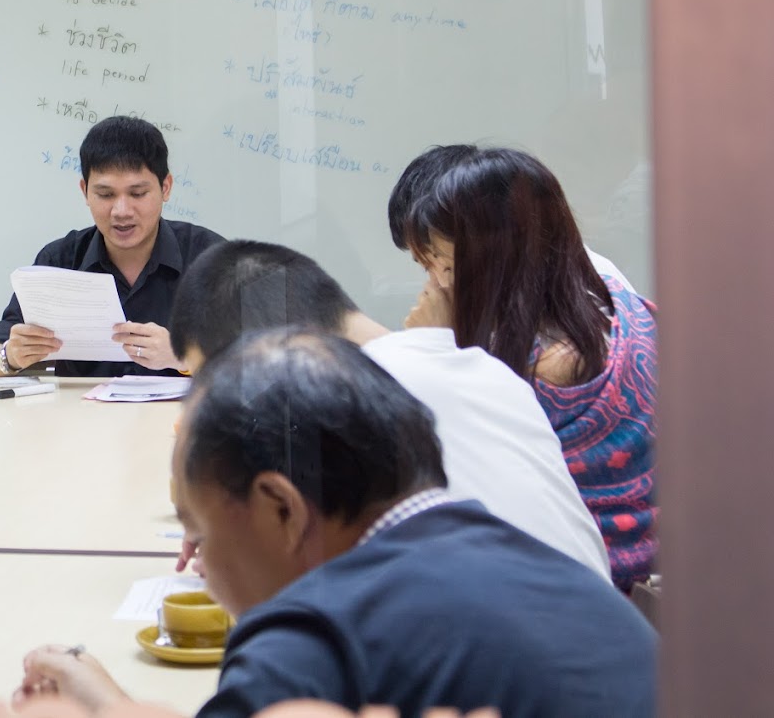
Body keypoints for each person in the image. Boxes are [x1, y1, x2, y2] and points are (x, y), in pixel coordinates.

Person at [14, 329, 657, 717]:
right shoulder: (527, 560)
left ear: (281, 508)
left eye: (201, 535)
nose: (201, 566)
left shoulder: (313, 641)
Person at [167, 240, 610, 580]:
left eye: (225, 386)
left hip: (506, 662)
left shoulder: (344, 401)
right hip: (604, 638)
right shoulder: (482, 368)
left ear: (272, 348)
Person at [399, 146, 657, 590]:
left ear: (499, 260)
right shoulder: (614, 296)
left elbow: (446, 467)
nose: (436, 284)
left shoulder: (540, 370)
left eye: (446, 265)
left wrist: (431, 346)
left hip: (585, 583)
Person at [0, 116, 223, 378]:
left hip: (182, 406)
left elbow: (250, 366)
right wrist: (11, 356)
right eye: (105, 195)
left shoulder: (211, 259)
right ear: (85, 191)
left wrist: (182, 357)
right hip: (80, 406)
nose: (121, 211)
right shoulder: (60, 260)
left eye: (138, 194)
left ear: (166, 187)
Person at [388, 143, 637, 292]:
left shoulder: (573, 299)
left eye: (447, 266)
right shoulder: (535, 280)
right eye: (427, 267)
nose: (439, 284)